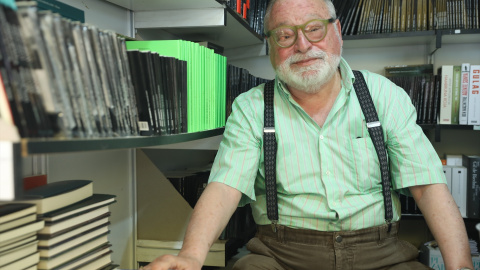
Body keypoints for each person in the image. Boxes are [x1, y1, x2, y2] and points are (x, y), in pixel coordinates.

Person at [143, 0, 474, 269]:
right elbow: (224, 187)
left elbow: (428, 186)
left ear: (337, 31)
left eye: (314, 29)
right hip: (280, 256)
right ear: (271, 47)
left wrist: (459, 265)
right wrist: (190, 256)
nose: (303, 45)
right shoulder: (251, 107)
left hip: (380, 255)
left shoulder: (384, 96)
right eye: (285, 35)